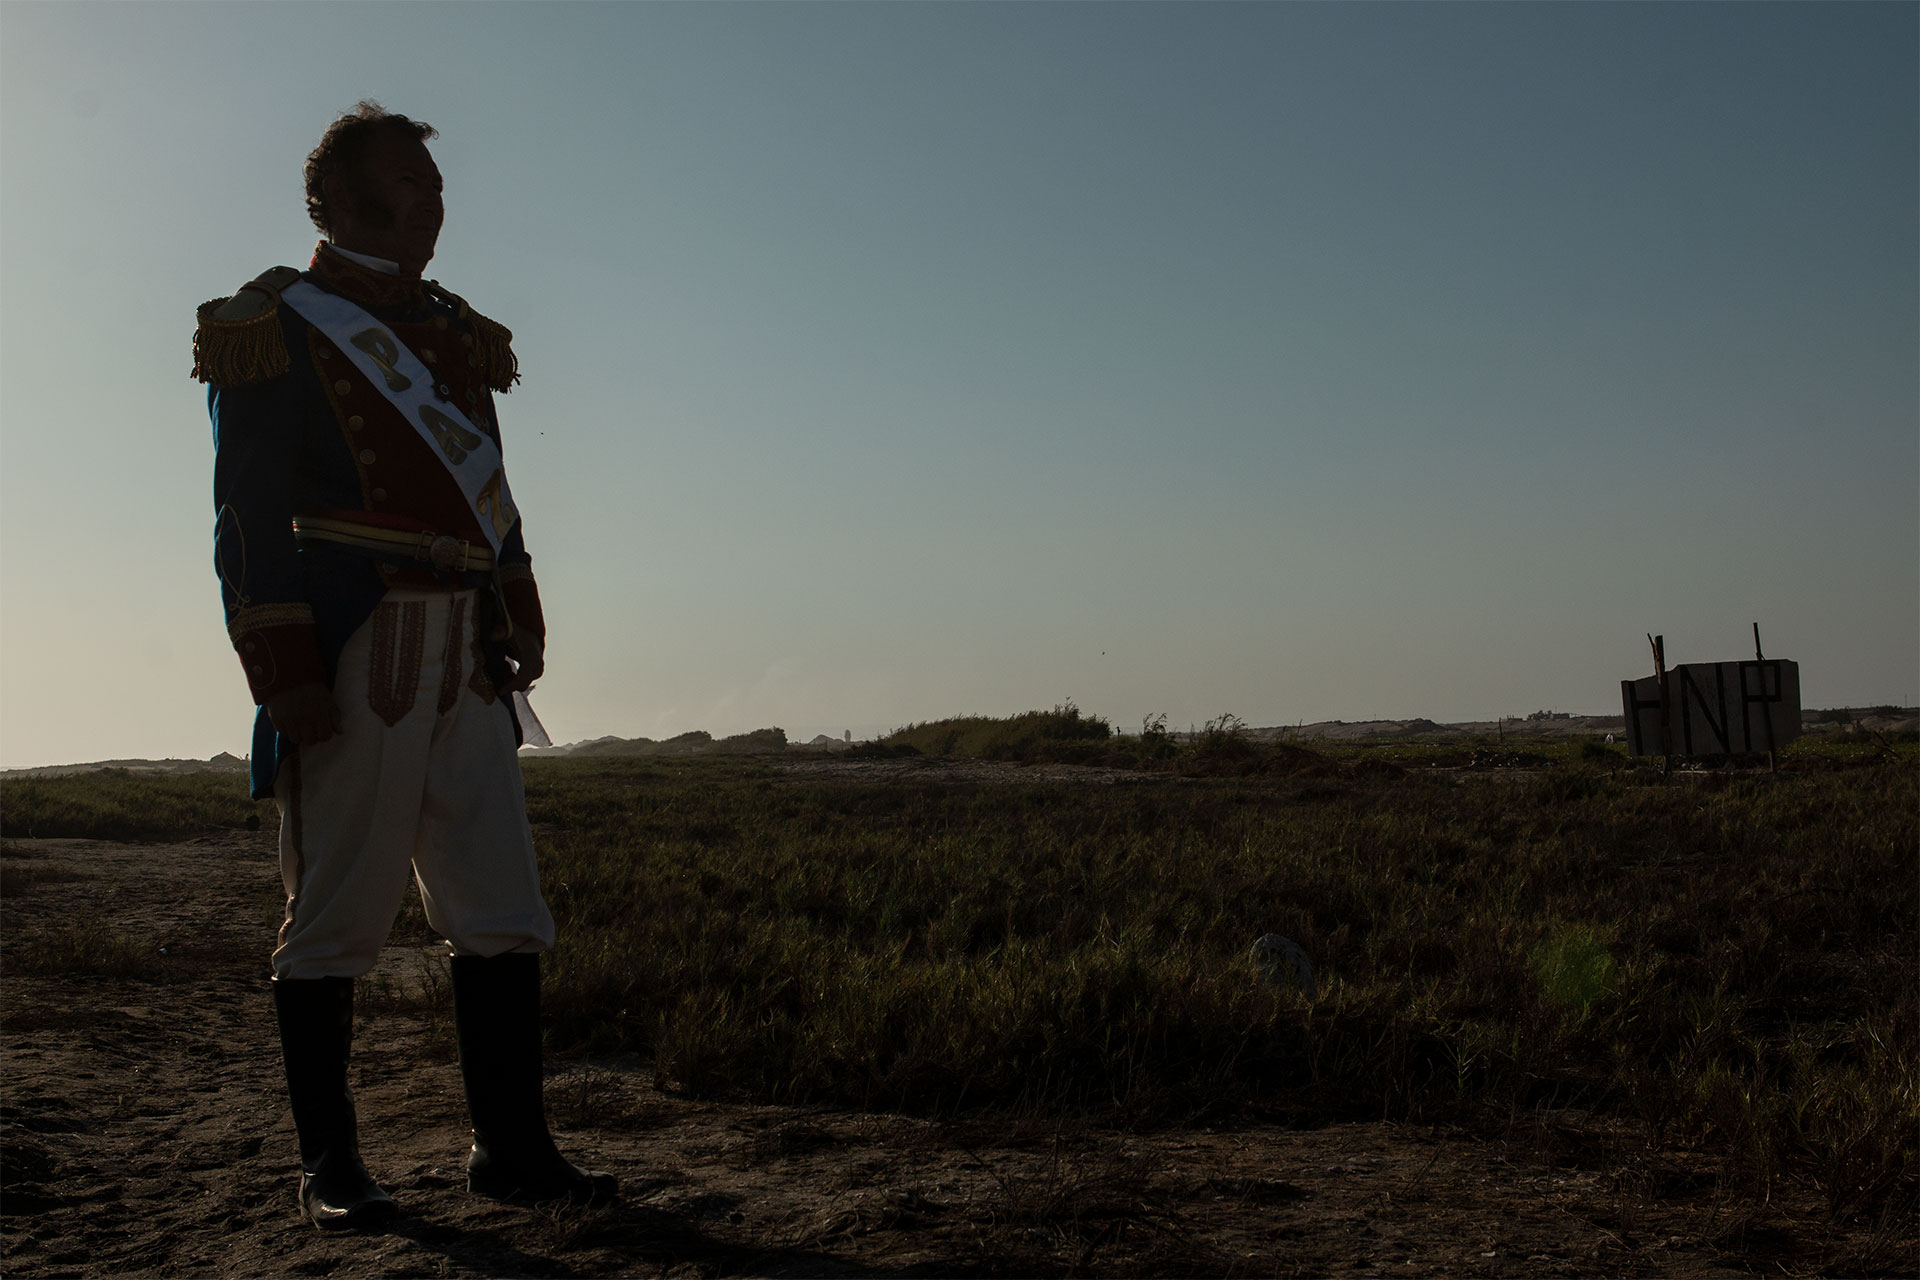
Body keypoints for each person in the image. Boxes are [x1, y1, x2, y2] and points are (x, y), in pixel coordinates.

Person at [195, 101, 614, 1229]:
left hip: (466, 649)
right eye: (407, 181)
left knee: (500, 899)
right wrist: (280, 661)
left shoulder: (454, 329)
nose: (433, 200)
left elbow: (491, 490)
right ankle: (330, 1164)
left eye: (434, 182)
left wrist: (515, 595)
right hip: (352, 635)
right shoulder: (275, 321)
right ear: (333, 197)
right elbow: (249, 512)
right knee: (335, 909)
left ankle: (512, 1149)